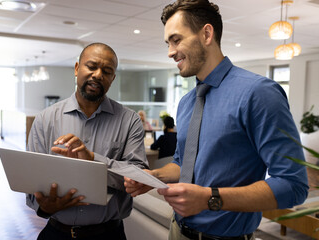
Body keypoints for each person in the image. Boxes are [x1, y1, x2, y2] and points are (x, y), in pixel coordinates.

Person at [124, 1, 309, 240]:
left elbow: (293, 185)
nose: (170, 51)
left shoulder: (259, 93)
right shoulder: (187, 102)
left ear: (207, 34)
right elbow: (183, 164)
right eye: (168, 43)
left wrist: (209, 199)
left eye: (176, 40)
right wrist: (152, 177)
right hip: (177, 230)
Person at [26, 42, 148, 240]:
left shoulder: (129, 120)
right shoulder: (45, 118)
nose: (98, 75)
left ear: (112, 78)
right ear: (76, 69)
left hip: (109, 234)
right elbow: (31, 179)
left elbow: (138, 177)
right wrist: (44, 206)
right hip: (56, 233)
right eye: (91, 67)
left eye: (107, 71)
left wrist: (93, 159)